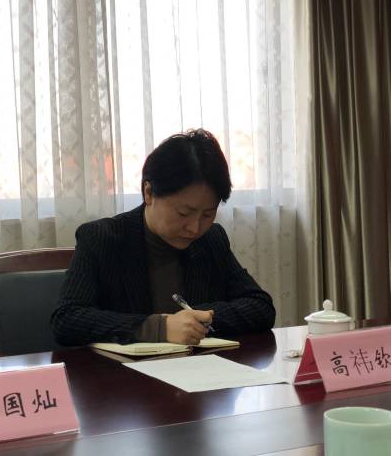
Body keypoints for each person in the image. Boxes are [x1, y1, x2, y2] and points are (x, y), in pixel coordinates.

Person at [50, 129, 275, 347]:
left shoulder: (211, 239)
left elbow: (260, 306)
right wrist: (159, 327)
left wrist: (197, 320)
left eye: (208, 214)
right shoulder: (101, 238)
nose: (195, 228)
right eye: (184, 213)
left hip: (199, 368)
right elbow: (67, 319)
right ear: (149, 193)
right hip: (123, 371)